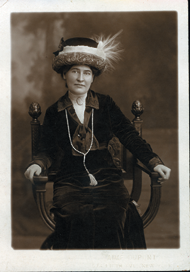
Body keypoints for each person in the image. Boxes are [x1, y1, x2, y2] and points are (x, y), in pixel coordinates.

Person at [24, 32, 171, 249]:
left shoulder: (106, 104)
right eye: (74, 71)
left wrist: (154, 162)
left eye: (86, 73)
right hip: (70, 179)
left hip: (107, 178)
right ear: (64, 74)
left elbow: (129, 135)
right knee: (74, 216)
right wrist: (38, 163)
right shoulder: (54, 111)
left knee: (113, 216)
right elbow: (47, 147)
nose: (80, 78)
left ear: (93, 77)